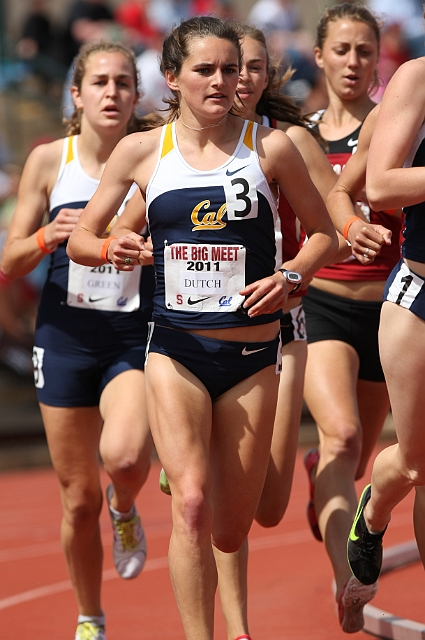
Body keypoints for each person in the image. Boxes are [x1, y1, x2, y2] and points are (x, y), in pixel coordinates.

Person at [66, 16, 337, 640]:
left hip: (251, 357)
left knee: (229, 529)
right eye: (205, 70)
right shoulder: (142, 152)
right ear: (172, 78)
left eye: (230, 69)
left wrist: (292, 277)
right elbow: (83, 237)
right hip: (176, 352)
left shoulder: (271, 149)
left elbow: (323, 234)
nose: (222, 80)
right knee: (188, 503)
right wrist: (114, 250)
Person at [0, 40, 155, 640]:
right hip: (64, 339)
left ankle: (126, 509)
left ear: (136, 94)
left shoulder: (151, 158)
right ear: (77, 94)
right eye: (100, 82)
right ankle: (90, 616)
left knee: (121, 457)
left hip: (130, 336)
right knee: (76, 499)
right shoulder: (48, 162)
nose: (112, 93)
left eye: (122, 82)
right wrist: (46, 235)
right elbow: (9, 261)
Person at [206, 24, 340, 640]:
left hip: (283, 325)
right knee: (213, 497)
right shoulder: (179, 145)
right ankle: (237, 627)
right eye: (234, 66)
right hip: (203, 330)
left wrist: (300, 268)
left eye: (254, 67)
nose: (243, 79)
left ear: (266, 75)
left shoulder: (287, 142)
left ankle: (303, 468)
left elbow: (335, 214)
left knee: (269, 504)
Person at [301, 3, 402, 634]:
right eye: (341, 50)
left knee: (359, 455)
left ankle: (326, 480)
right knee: (339, 436)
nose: (353, 62)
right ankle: (349, 580)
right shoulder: (301, 133)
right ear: (319, 56)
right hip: (325, 305)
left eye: (364, 51)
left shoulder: (398, 128)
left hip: (390, 313)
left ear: (378, 59)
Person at [347, 31, 425, 591]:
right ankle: (374, 509)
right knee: (420, 464)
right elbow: (379, 184)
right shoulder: (418, 78)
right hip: (419, 296)